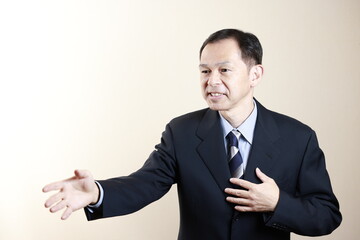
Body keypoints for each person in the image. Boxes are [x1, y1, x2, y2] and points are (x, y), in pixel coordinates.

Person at [43, 29, 342, 239]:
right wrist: (97, 192)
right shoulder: (181, 131)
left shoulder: (298, 137)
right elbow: (145, 184)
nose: (211, 81)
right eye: (204, 71)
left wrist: (278, 203)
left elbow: (327, 215)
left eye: (224, 70)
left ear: (255, 75)